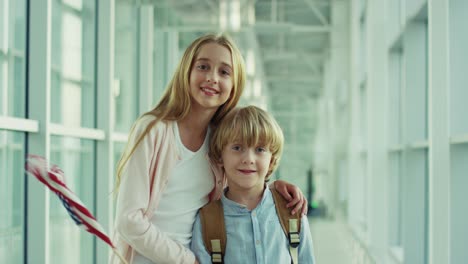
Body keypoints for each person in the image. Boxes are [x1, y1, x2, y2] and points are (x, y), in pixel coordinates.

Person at [110, 33, 307, 264]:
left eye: (224, 72)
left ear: (234, 85)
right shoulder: (153, 130)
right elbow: (128, 220)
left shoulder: (220, 140)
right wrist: (187, 260)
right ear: (187, 72)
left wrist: (272, 187)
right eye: (203, 66)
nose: (212, 78)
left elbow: (239, 181)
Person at [191, 106, 316, 264]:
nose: (249, 159)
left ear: (271, 160)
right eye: (237, 148)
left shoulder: (291, 212)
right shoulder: (207, 222)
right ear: (220, 156)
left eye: (260, 149)